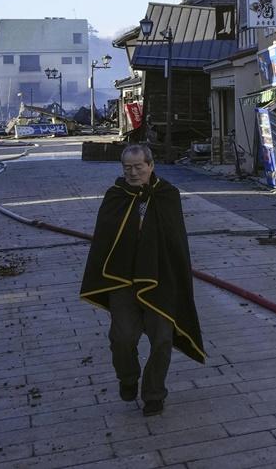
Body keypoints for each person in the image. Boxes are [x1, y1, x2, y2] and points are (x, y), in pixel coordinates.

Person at [79, 144, 204, 415]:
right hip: (123, 280)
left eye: (138, 167)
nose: (133, 173)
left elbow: (175, 241)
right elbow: (104, 240)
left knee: (162, 340)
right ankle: (128, 377)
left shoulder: (168, 195)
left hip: (160, 280)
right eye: (127, 168)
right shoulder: (115, 196)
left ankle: (154, 394)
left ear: (150, 166)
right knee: (121, 337)